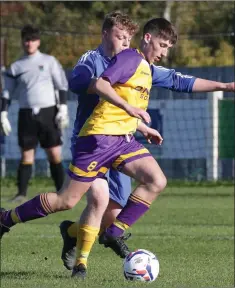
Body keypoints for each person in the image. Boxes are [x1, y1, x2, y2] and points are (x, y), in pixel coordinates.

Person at [59, 15, 235, 275]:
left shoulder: (142, 65)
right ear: (107, 33)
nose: (124, 41)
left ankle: (72, 231)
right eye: (120, 36)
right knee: (98, 198)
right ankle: (81, 265)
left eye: (126, 38)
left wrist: (225, 85)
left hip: (121, 141)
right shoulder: (94, 60)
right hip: (92, 139)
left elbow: (180, 81)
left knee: (114, 212)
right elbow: (77, 83)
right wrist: (107, 85)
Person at [0, 25, 69, 203]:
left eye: (32, 39)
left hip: (48, 112)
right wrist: (3, 114)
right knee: (26, 155)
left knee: (54, 153)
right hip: (26, 114)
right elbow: (7, 92)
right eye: (26, 39)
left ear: (38, 42)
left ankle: (62, 192)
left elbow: (60, 84)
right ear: (22, 41)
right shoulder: (16, 66)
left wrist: (62, 108)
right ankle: (21, 193)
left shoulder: (49, 61)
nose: (29, 43)